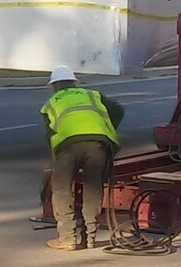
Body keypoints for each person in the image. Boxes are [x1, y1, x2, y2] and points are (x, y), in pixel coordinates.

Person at [39, 65, 123, 252]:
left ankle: (68, 238)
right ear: (75, 82)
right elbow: (118, 111)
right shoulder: (93, 95)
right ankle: (91, 238)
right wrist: (105, 128)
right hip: (97, 144)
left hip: (68, 146)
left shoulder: (51, 103)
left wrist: (56, 160)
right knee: (93, 188)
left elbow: (49, 135)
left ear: (55, 86)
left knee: (61, 190)